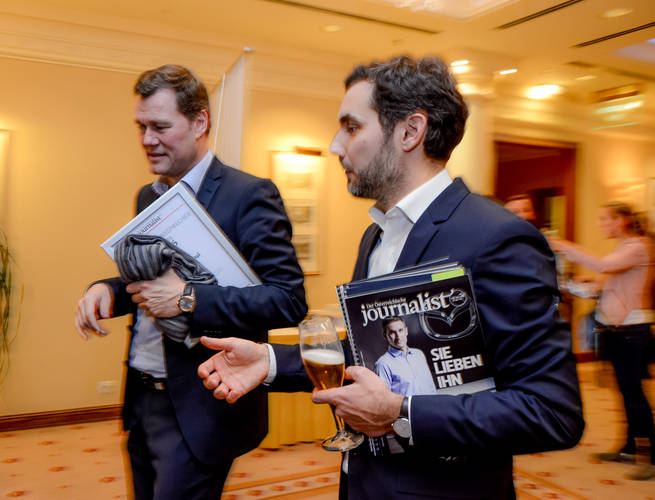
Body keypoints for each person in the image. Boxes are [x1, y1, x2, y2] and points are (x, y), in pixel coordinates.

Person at [197, 54, 584, 499]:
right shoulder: (376, 235)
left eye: (351, 127)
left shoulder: (499, 237)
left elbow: (552, 411)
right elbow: (368, 355)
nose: (335, 146)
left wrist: (400, 413)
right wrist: (268, 361)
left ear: (410, 131)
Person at [73, 64, 307, 499]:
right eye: (141, 127)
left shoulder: (249, 195)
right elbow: (150, 280)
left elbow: (287, 300)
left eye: (160, 126)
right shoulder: (148, 196)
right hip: (143, 397)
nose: (147, 139)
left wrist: (188, 299)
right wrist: (107, 289)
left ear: (200, 123)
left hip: (201, 408)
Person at [550, 201, 655, 481]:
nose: (601, 224)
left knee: (634, 394)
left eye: (606, 219)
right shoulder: (622, 248)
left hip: (633, 331)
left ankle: (653, 457)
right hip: (618, 330)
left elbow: (602, 265)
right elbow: (602, 286)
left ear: (622, 220)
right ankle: (630, 448)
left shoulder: (638, 246)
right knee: (624, 392)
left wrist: (563, 245)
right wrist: (572, 285)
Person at [374, 317, 436, 396]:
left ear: (406, 331)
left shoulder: (419, 354)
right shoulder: (383, 364)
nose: (398, 336)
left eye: (400, 330)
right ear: (385, 336)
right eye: (392, 332)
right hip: (408, 405)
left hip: (430, 403)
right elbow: (384, 397)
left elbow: (430, 385)